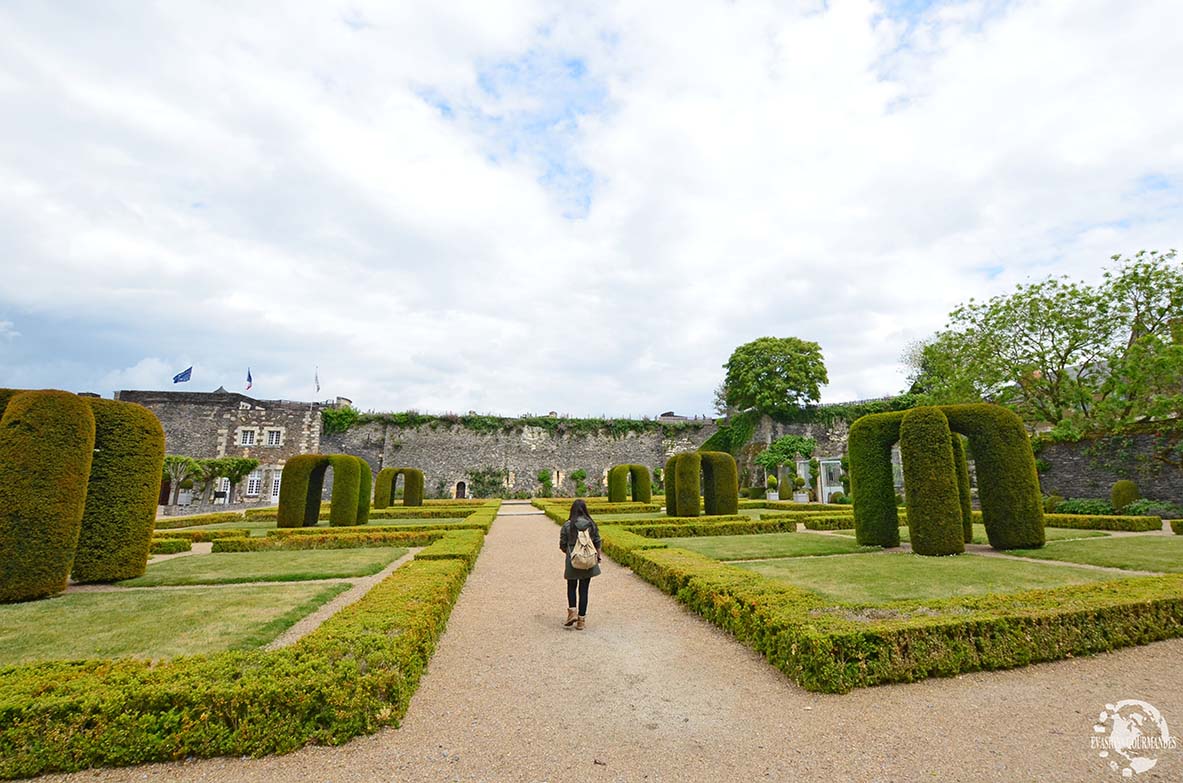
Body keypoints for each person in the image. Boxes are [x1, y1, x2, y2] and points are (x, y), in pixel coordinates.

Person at [558, 498, 602, 630]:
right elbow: (597, 542)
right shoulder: (591, 524)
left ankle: (572, 612)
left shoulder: (568, 525)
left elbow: (562, 545)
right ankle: (581, 621)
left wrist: (570, 552)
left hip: (573, 559)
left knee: (571, 586)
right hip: (588, 560)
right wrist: (598, 556)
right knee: (584, 590)